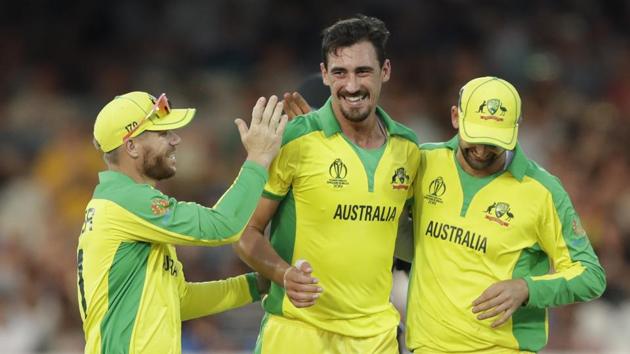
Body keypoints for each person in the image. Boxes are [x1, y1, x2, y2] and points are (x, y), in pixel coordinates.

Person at [233, 15, 421, 353]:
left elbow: (412, 236)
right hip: (299, 333)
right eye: (340, 73)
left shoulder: (407, 149)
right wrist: (284, 274)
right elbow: (245, 231)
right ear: (324, 74)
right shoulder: (295, 139)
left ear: (386, 71)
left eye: (363, 71)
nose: (351, 85)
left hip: (376, 338)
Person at [399, 76, 606, 353]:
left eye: (494, 143)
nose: (482, 151)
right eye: (474, 139)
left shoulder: (542, 191)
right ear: (455, 117)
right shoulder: (424, 163)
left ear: (516, 130)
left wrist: (527, 289)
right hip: (426, 348)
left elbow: (591, 275)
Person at [76, 91, 287, 354]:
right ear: (131, 146)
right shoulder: (128, 201)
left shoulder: (123, 207)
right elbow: (223, 226)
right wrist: (258, 159)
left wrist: (256, 284)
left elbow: (179, 301)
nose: (176, 140)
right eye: (163, 133)